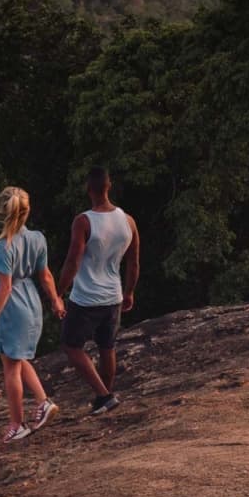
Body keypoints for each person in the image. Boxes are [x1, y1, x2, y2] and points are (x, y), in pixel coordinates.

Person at [0, 186, 65, 442]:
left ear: (1, 212)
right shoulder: (37, 238)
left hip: (12, 305)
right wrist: (55, 300)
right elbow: (46, 275)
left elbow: (5, 288)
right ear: (26, 212)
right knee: (18, 358)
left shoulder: (2, 248)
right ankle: (43, 402)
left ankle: (17, 424)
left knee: (10, 367)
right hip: (31, 301)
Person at [58, 166, 140, 415]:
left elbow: (73, 261)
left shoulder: (84, 221)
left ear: (88, 188)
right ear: (109, 186)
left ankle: (104, 395)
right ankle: (104, 397)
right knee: (107, 347)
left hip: (86, 297)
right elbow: (134, 262)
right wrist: (129, 292)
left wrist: (59, 292)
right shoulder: (128, 221)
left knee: (72, 346)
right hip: (113, 295)